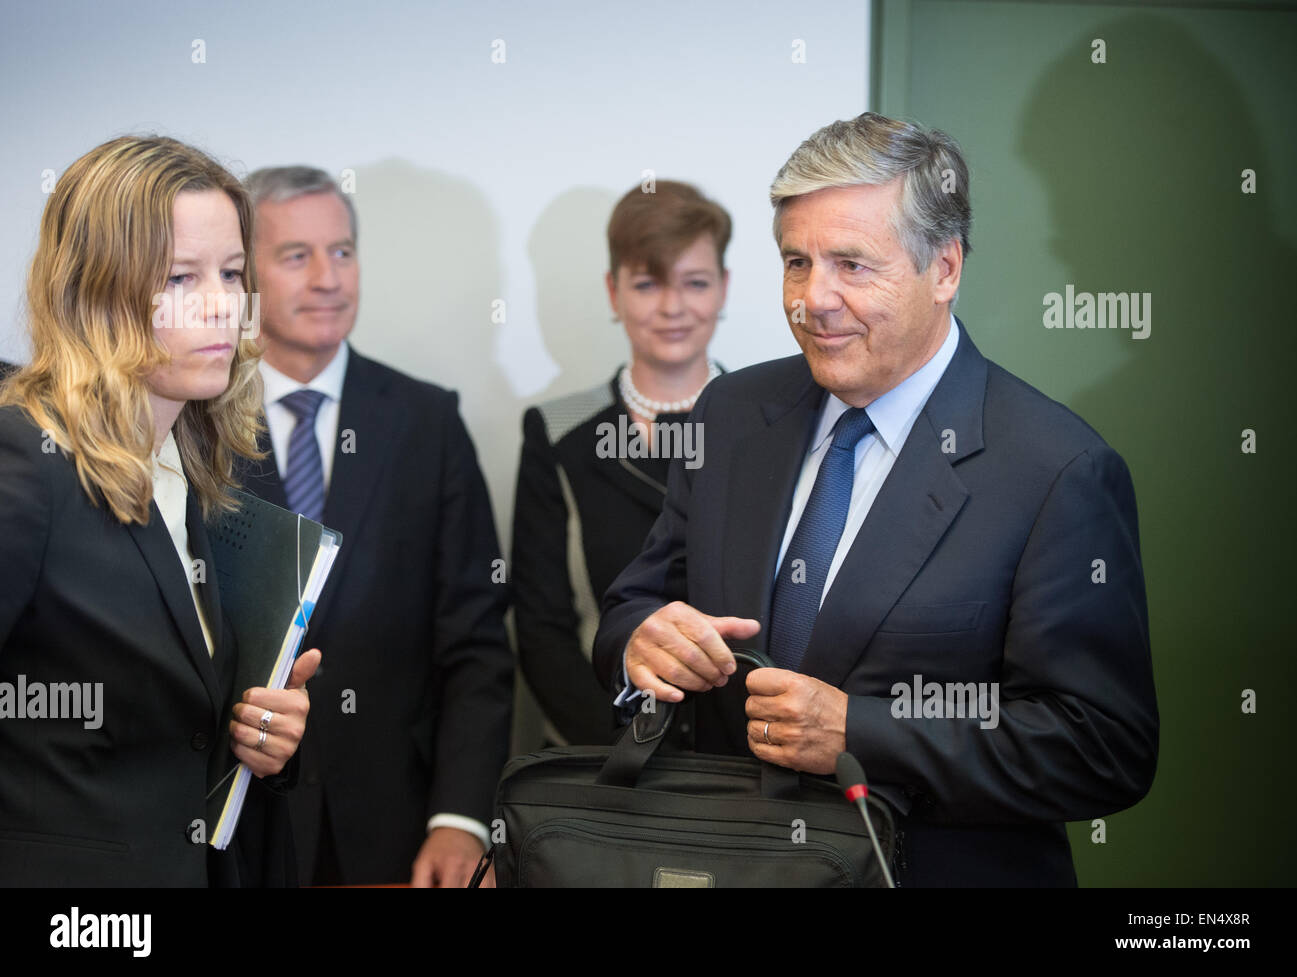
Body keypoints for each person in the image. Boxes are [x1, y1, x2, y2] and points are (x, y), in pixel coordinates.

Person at [593, 112, 1159, 887]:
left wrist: (861, 731)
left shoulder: (1059, 468)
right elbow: (635, 604)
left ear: (946, 268)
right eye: (797, 261)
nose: (812, 299)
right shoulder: (730, 413)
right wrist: (638, 644)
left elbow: (1102, 745)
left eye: (852, 265)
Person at [0, 135, 318, 887]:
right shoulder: (25, 459)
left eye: (234, 272)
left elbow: (175, 736)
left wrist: (262, 747)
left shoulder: (192, 463)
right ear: (96, 286)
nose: (222, 303)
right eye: (180, 276)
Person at [238, 166, 514, 887]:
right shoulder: (191, 422)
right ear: (245, 276)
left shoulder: (427, 421)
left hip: (397, 831)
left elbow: (477, 643)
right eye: (296, 255)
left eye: (344, 251)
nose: (328, 278)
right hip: (233, 827)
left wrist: (461, 818)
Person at [512, 180, 729, 747]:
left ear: (724, 289)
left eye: (696, 283)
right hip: (602, 763)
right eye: (647, 283)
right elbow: (543, 628)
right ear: (613, 292)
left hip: (750, 759)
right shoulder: (556, 432)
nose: (673, 307)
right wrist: (615, 756)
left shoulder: (781, 420)